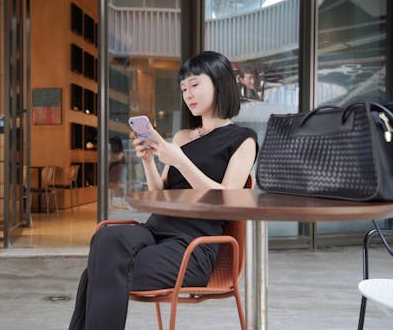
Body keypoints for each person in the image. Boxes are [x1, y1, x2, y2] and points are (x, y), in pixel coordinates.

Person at [69, 51, 258, 330]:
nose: (188, 94)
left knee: (98, 272)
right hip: (155, 232)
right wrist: (148, 161)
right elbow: (161, 192)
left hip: (194, 245)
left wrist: (180, 159)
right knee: (106, 238)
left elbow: (227, 200)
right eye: (183, 88)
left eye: (195, 84)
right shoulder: (183, 137)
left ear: (219, 83)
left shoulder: (242, 140)